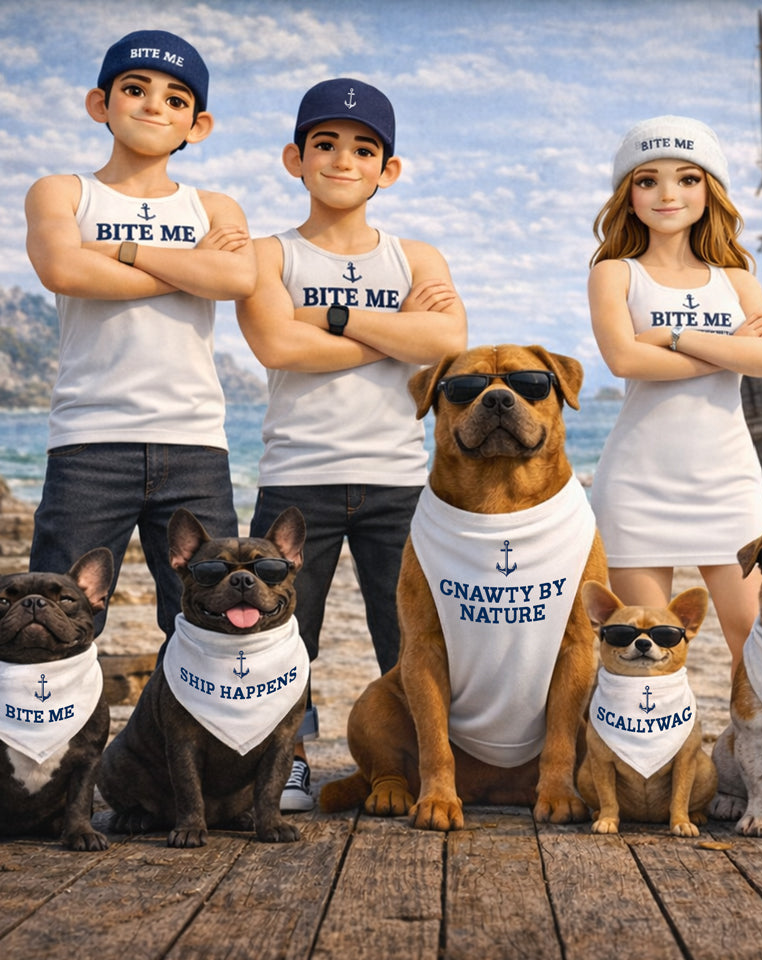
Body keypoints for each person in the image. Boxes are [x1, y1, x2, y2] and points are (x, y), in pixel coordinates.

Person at [235, 78, 468, 811]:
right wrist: (391, 329)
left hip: (400, 482)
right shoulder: (269, 255)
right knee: (278, 636)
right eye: (325, 144)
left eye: (363, 148)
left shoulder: (416, 256)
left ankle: (419, 766)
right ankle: (288, 763)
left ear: (386, 170)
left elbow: (446, 344)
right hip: (296, 478)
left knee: (409, 638)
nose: (343, 160)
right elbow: (277, 343)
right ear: (294, 158)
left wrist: (329, 317)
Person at [24, 29, 256, 642]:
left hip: (195, 444)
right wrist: (188, 270)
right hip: (88, 444)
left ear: (196, 126)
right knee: (55, 622)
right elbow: (64, 268)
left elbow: (236, 276)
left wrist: (120, 252)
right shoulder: (63, 191)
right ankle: (53, 742)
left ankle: (206, 740)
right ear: (100, 104)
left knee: (213, 624)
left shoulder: (215, 207)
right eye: (135, 89)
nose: (155, 105)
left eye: (177, 100)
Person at [585, 115, 762, 669]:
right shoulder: (614, 273)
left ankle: (755, 755)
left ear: (710, 191)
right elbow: (625, 358)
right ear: (628, 196)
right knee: (645, 651)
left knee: (758, 641)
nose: (668, 194)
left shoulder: (738, 279)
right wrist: (729, 348)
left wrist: (675, 338)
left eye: (688, 179)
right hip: (637, 485)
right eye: (648, 180)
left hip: (729, 483)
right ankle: (662, 757)